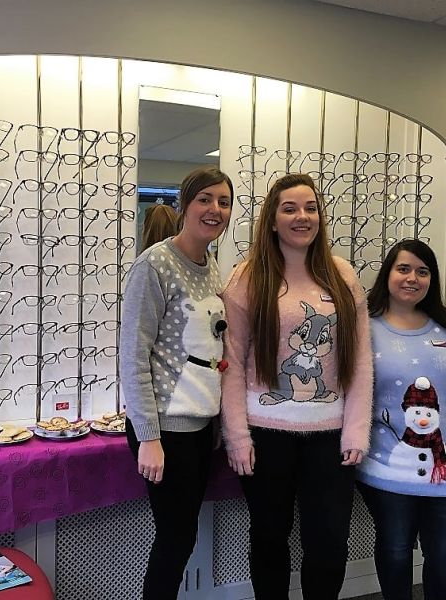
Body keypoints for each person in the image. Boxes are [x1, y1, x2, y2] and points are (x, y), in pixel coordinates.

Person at [221, 173, 373, 599]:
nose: (301, 216)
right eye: (289, 208)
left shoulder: (341, 275)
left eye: (310, 208)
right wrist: (236, 436)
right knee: (269, 539)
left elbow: (359, 360)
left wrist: (356, 430)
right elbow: (230, 365)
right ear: (272, 219)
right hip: (267, 435)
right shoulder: (248, 278)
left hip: (330, 437)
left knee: (328, 544)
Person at [356, 239, 446, 600]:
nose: (412, 278)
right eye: (403, 268)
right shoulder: (363, 331)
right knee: (395, 554)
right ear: (387, 273)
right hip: (388, 472)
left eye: (422, 271)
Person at [120, 166, 233, 599]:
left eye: (223, 201)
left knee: (181, 537)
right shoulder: (154, 265)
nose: (214, 209)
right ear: (184, 205)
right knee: (175, 540)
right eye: (205, 199)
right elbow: (133, 355)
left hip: (199, 427)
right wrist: (148, 437)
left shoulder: (210, 265)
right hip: (166, 429)